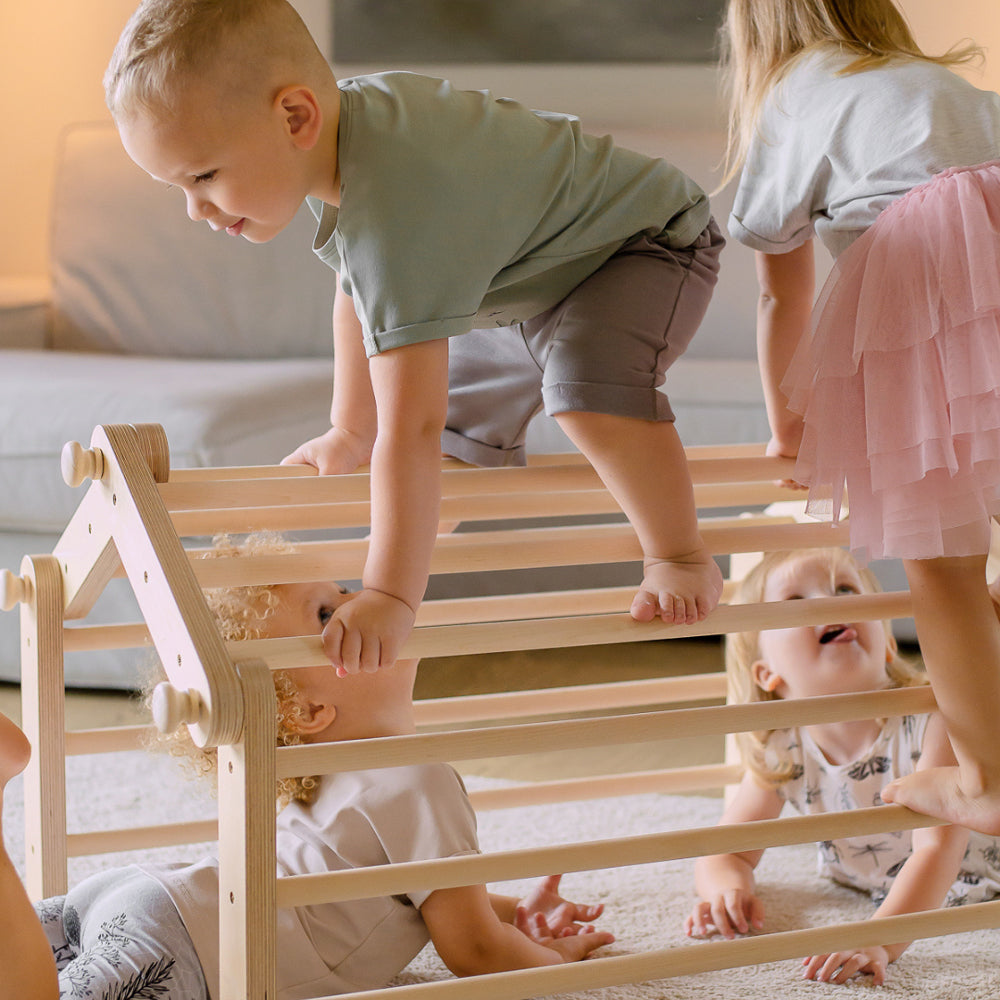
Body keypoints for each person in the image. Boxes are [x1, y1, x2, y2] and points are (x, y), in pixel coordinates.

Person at [103, 0, 727, 679]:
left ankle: (680, 554)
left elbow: (412, 426)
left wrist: (391, 596)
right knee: (458, 452)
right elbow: (359, 288)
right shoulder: (346, 141)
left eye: (202, 176)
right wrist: (349, 429)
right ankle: (432, 518)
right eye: (179, 187)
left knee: (581, 395)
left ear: (295, 117)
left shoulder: (399, 203)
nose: (195, 208)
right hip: (521, 285)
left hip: (641, 244)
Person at [0, 533, 613, 1000]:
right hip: (192, 944)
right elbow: (474, 950)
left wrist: (518, 917)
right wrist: (560, 964)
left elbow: (422, 899)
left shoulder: (332, 780)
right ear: (311, 709)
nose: (359, 603)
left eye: (343, 591)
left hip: (157, 903)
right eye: (326, 614)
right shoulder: (416, 777)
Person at [719, 0, 1000, 835]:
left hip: (925, 278)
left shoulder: (793, 94)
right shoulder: (941, 84)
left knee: (943, 564)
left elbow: (781, 291)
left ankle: (986, 781)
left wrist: (789, 420)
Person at [684, 547, 1000, 985]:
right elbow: (728, 851)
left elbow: (936, 849)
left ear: (888, 644)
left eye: (846, 590)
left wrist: (880, 939)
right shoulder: (786, 750)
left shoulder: (935, 722)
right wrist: (728, 891)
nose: (832, 603)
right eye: (795, 601)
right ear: (766, 674)